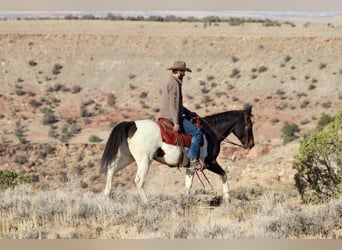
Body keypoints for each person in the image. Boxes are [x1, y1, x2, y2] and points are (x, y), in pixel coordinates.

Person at [159, 61, 202, 169]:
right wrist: (176, 122)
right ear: (179, 71)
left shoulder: (169, 81)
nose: (184, 74)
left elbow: (177, 104)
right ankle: (193, 159)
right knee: (197, 133)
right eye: (183, 71)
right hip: (171, 116)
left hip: (164, 114)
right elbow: (174, 105)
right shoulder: (175, 83)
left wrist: (188, 113)